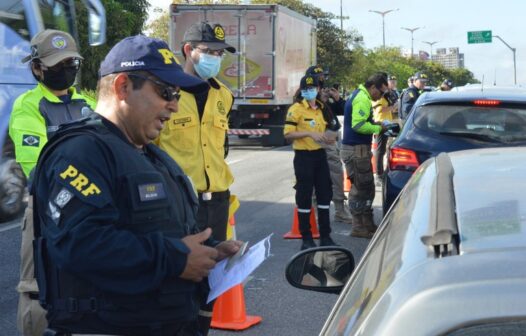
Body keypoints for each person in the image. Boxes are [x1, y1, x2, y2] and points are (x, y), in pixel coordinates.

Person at [31, 35, 242, 335]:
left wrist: (209, 253)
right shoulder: (82, 152)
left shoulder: (153, 156)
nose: (174, 105)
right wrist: (175, 258)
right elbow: (80, 244)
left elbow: (162, 230)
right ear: (123, 87)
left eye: (178, 95)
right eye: (166, 92)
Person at [8, 29, 96, 336]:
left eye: (70, 62)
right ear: (36, 68)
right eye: (57, 65)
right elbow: (38, 168)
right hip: (47, 210)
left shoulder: (88, 103)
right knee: (38, 289)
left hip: (89, 210)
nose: (66, 69)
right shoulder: (28, 106)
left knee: (87, 283)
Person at [154, 21, 236, 335]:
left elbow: (219, 150)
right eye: (209, 51)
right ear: (189, 51)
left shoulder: (223, 96)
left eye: (220, 52)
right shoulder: (165, 94)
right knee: (179, 275)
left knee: (211, 278)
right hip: (178, 202)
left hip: (217, 200)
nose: (216, 57)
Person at [284, 74, 339, 250]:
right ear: (302, 91)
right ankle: (306, 237)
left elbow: (333, 127)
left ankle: (325, 235)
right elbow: (288, 134)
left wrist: (330, 138)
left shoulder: (323, 108)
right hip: (303, 157)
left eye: (312, 88)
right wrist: (308, 133)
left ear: (318, 89)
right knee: (304, 196)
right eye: (306, 89)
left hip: (320, 155)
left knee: (324, 194)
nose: (309, 92)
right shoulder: (296, 109)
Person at [341, 73, 389, 239]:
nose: (381, 96)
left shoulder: (361, 95)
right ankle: (358, 226)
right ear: (373, 87)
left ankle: (367, 224)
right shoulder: (362, 98)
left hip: (358, 148)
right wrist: (378, 129)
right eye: (381, 92)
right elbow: (358, 125)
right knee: (360, 188)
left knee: (367, 187)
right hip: (356, 149)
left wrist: (376, 125)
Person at [306, 65, 352, 224]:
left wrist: (337, 98)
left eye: (324, 76)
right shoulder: (305, 93)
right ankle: (314, 211)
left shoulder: (325, 92)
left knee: (336, 171)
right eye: (320, 77)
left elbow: (344, 110)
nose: (323, 79)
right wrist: (320, 101)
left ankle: (340, 209)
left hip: (329, 137)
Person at [372, 74, 399, 185]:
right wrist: (393, 107)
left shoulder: (386, 94)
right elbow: (379, 109)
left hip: (387, 123)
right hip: (380, 124)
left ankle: (382, 172)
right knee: (379, 150)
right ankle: (378, 175)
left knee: (385, 149)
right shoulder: (377, 95)